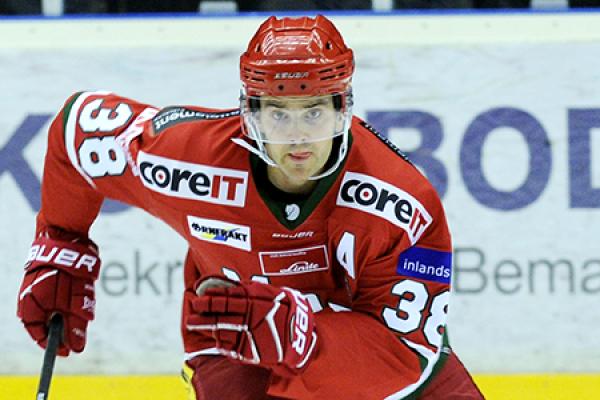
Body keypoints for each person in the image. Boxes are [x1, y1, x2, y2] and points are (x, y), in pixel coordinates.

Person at [17, 15, 483, 399]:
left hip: (373, 363)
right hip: (235, 345)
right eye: (278, 113)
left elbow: (405, 355)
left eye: (314, 112)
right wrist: (61, 243)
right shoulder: (188, 162)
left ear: (343, 107)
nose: (297, 136)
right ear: (250, 112)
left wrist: (303, 337)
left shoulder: (402, 205)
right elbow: (76, 127)